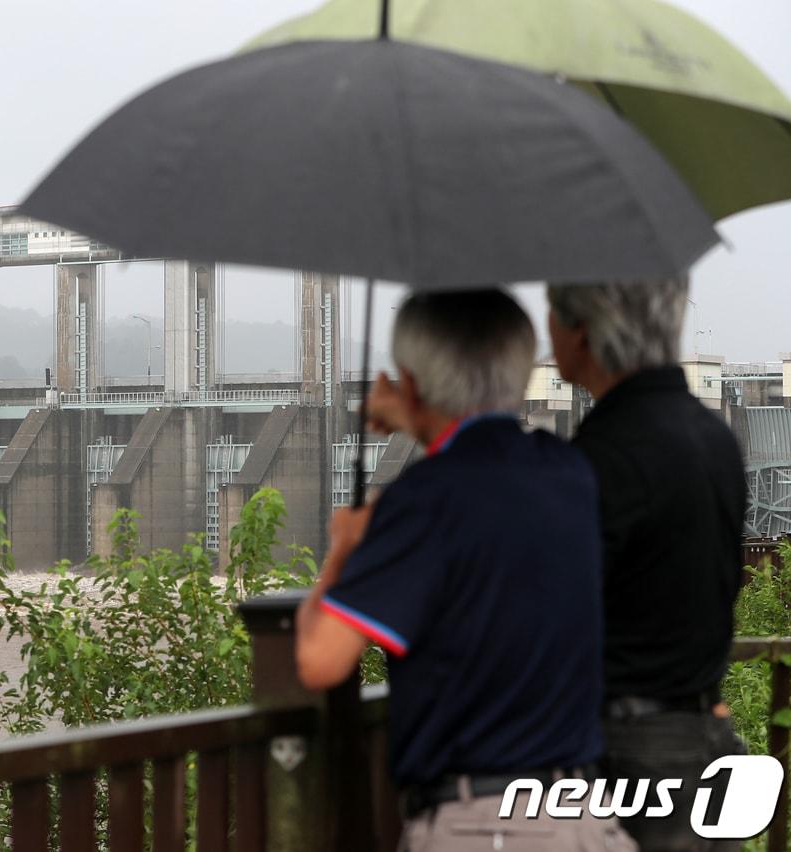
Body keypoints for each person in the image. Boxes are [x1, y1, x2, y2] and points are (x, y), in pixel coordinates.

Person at [296, 289, 633, 851]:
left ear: (410, 383)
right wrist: (413, 414)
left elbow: (320, 661)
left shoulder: (423, 499)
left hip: (484, 826)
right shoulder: (569, 473)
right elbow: (479, 463)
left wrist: (343, 551)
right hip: (585, 821)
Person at [547, 279, 747, 852]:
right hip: (709, 734)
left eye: (552, 315)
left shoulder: (605, 455)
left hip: (632, 754)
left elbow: (557, 616)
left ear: (582, 332)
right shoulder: (713, 437)